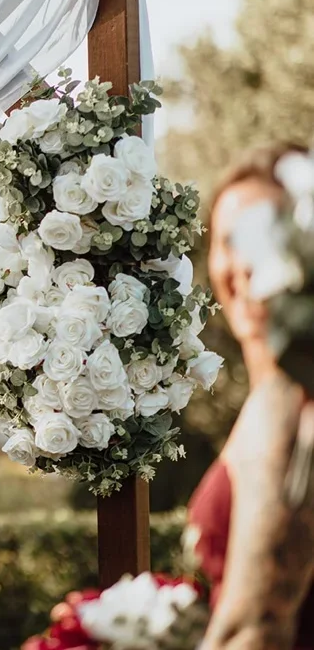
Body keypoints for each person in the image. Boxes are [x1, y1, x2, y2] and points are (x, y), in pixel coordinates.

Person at [189, 144, 314, 649]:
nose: (242, 261)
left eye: (262, 232)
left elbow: (257, 626)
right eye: (227, 239)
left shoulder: (295, 404)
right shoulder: (268, 401)